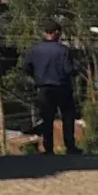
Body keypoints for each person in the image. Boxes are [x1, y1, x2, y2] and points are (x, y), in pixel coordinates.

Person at [22, 23, 79, 154]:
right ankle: (70, 146)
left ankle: (48, 148)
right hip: (63, 87)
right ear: (56, 32)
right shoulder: (63, 50)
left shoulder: (34, 50)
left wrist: (37, 77)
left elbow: (26, 68)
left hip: (44, 89)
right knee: (67, 117)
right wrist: (75, 71)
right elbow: (68, 69)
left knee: (47, 119)